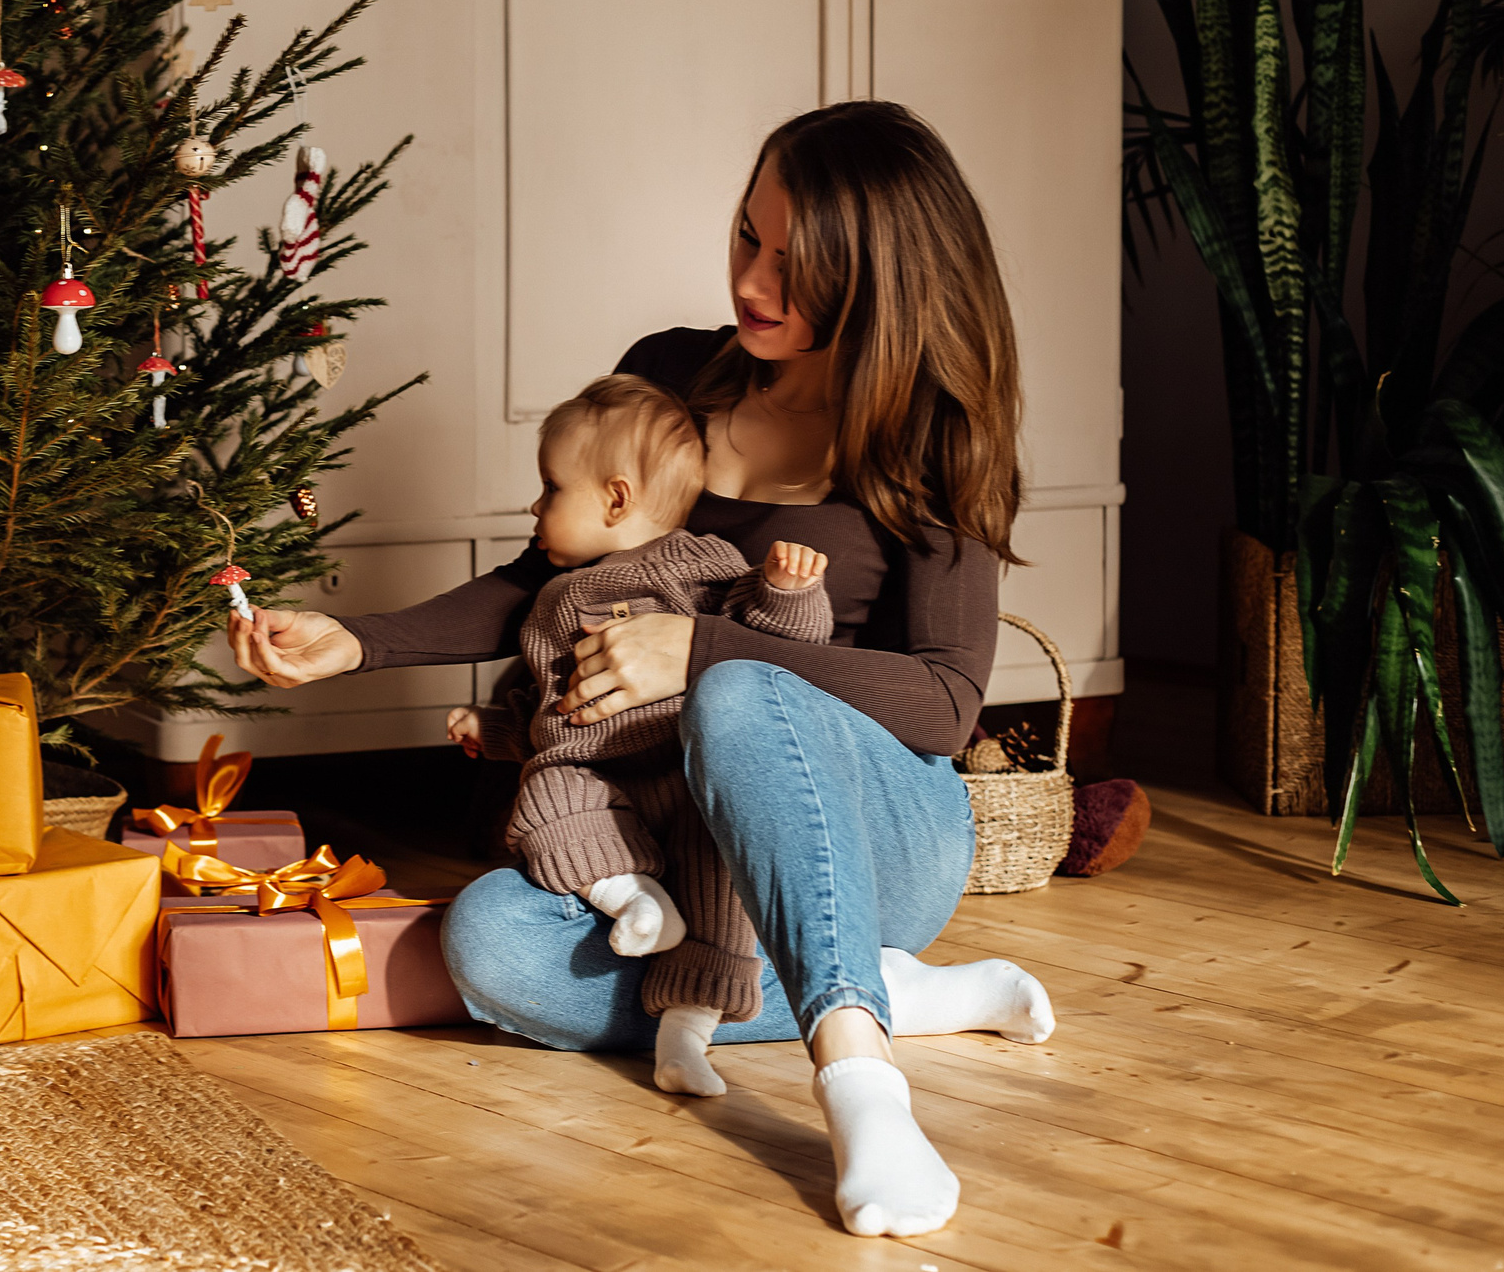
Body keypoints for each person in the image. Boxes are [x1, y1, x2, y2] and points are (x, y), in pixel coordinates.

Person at [230, 100, 1058, 1241]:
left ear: (883, 281)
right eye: (745, 237)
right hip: (679, 847)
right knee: (486, 945)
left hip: (878, 829)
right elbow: (545, 580)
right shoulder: (673, 378)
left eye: (796, 265)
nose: (754, 284)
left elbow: (945, 707)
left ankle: (860, 1081)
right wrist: (358, 641)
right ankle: (887, 987)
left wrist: (707, 644)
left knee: (737, 693)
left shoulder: (938, 438)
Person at [448, 372, 836, 1100]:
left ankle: (686, 1037)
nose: (536, 505)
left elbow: (779, 644)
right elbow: (548, 714)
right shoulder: (552, 603)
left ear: (616, 498)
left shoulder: (703, 564)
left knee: (719, 888)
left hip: (688, 770)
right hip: (597, 774)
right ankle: (631, 894)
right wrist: (495, 728)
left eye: (551, 488)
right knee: (548, 793)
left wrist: (790, 590)